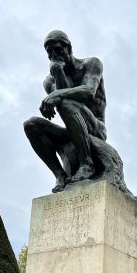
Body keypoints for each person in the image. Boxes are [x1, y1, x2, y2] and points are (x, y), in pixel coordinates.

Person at [23, 30, 107, 193]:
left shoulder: (91, 64)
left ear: (69, 48)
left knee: (65, 102)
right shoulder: (49, 80)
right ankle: (60, 175)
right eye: (49, 52)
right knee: (31, 124)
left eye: (58, 49)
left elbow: (88, 92)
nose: (54, 55)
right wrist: (58, 71)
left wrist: (57, 95)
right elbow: (63, 97)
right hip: (71, 130)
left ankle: (86, 163)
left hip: (95, 127)